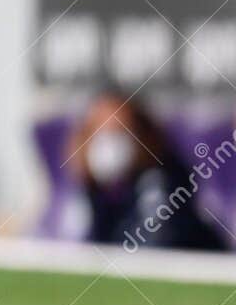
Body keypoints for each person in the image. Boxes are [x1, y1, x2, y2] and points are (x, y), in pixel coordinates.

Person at [68, 91, 225, 252]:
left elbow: (151, 248)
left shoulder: (163, 184)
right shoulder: (94, 191)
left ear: (144, 138)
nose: (108, 144)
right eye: (100, 132)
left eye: (120, 132)